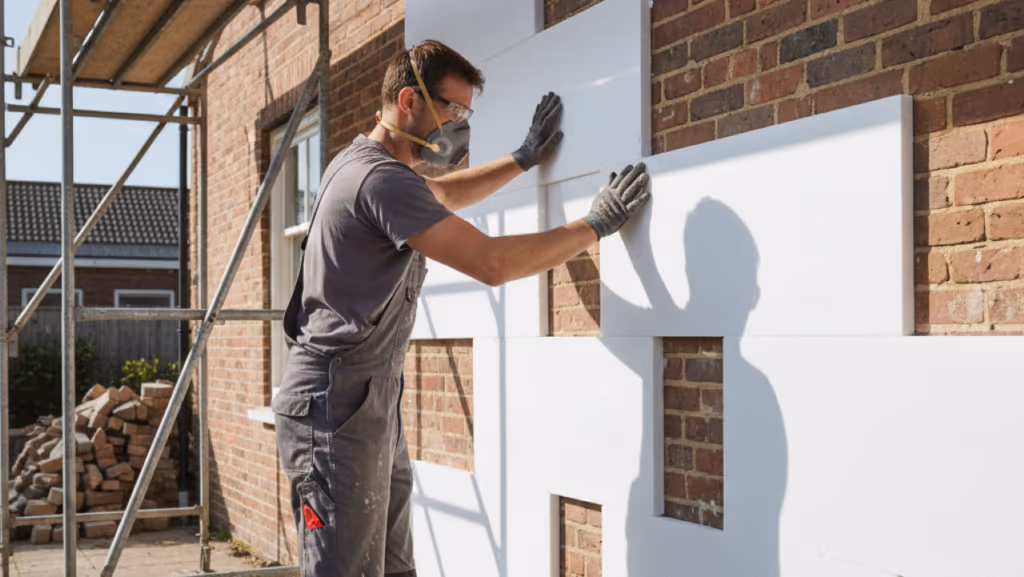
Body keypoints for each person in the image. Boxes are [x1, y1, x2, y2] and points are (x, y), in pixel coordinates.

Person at [272, 40, 651, 577]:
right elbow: (492, 262)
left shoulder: (367, 164)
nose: (458, 125)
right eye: (452, 109)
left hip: (363, 400)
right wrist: (594, 224)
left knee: (395, 566)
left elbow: (441, 196)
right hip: (335, 406)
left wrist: (520, 160)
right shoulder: (379, 178)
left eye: (465, 113)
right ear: (408, 99)